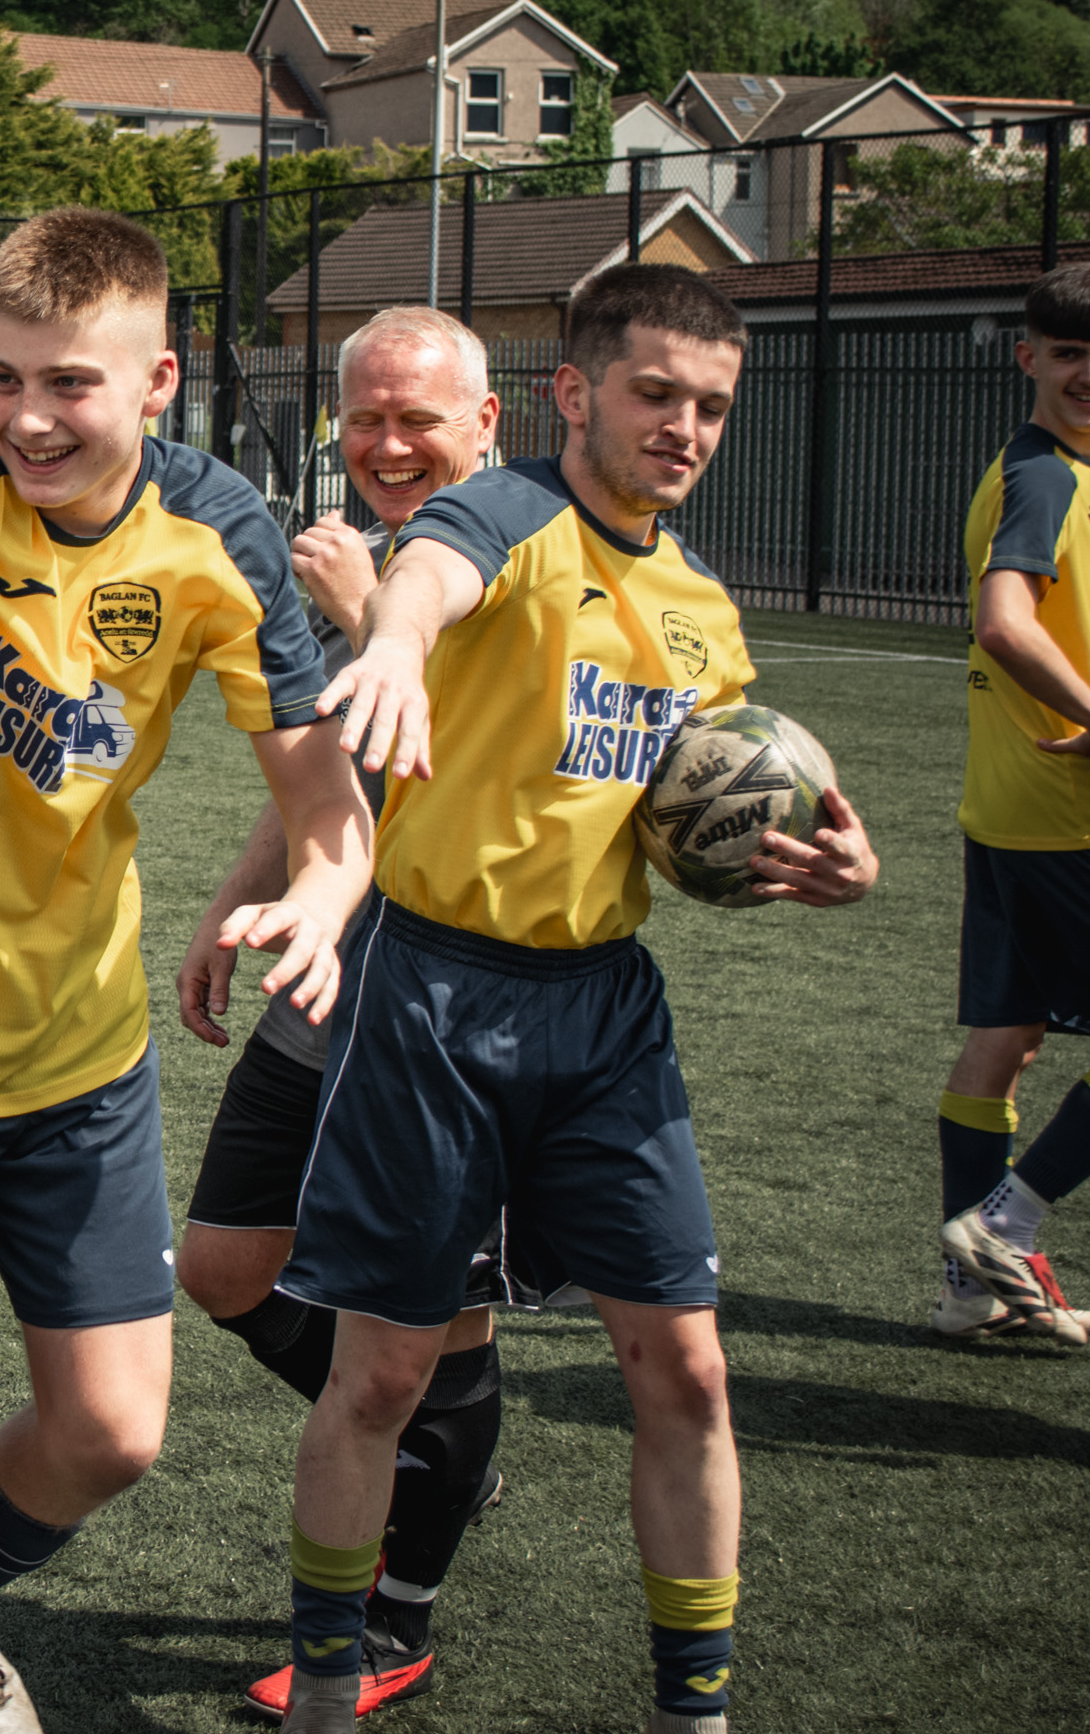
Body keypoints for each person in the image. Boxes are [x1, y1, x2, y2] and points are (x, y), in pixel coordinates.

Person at [280, 265, 880, 1734]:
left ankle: (697, 1710)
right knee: (381, 1376)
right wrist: (402, 639)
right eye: (656, 394)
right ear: (576, 392)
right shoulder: (508, 516)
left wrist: (829, 859)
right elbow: (429, 569)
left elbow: (710, 816)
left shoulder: (702, 614)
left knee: (685, 1365)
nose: (683, 428)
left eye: (712, 408)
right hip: (432, 996)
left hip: (605, 1013)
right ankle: (329, 1684)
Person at [0, 207, 375, 1734]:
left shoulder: (216, 535)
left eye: (68, 383)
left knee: (113, 1433)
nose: (25, 418)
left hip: (81, 1058)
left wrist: (328, 900)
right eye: (1, 379)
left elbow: (328, 808)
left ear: (157, 382)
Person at [172, 307, 507, 1722]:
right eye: (363, 416)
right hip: (333, 981)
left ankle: (399, 1611)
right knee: (222, 1267)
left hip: (468, 1014)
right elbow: (338, 777)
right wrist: (233, 900)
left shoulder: (518, 546)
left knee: (442, 1337)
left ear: (487, 425)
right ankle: (426, 1449)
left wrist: (372, 608)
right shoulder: (362, 554)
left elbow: (475, 760)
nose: (383, 443)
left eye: (416, 419)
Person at [935, 262, 1090, 1345]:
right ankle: (1009, 1225)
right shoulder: (1046, 479)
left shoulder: (1063, 467)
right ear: (1028, 357)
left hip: (1005, 801)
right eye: (1068, 352)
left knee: (1007, 1036)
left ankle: (969, 1289)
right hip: (1070, 808)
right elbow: (1003, 621)